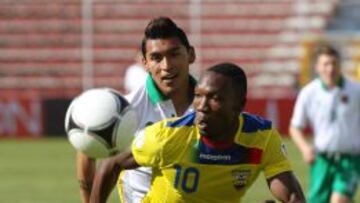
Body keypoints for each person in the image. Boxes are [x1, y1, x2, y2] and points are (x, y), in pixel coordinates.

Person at [90, 63, 306, 203]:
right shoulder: (168, 137)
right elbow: (112, 164)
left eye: (214, 98)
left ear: (239, 105)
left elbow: (292, 196)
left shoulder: (262, 137)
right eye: (198, 96)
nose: (201, 106)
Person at [76, 16, 196, 203]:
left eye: (174, 54)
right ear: (145, 63)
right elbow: (86, 148)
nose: (167, 66)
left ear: (190, 55)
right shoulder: (126, 109)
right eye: (156, 58)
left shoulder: (209, 104)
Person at [289, 44, 360, 203]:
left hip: (349, 160)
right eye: (325, 64)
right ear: (317, 67)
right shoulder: (309, 92)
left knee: (339, 200)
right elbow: (295, 127)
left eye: (334, 63)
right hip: (321, 160)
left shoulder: (355, 91)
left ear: (340, 65)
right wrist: (305, 148)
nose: (330, 68)